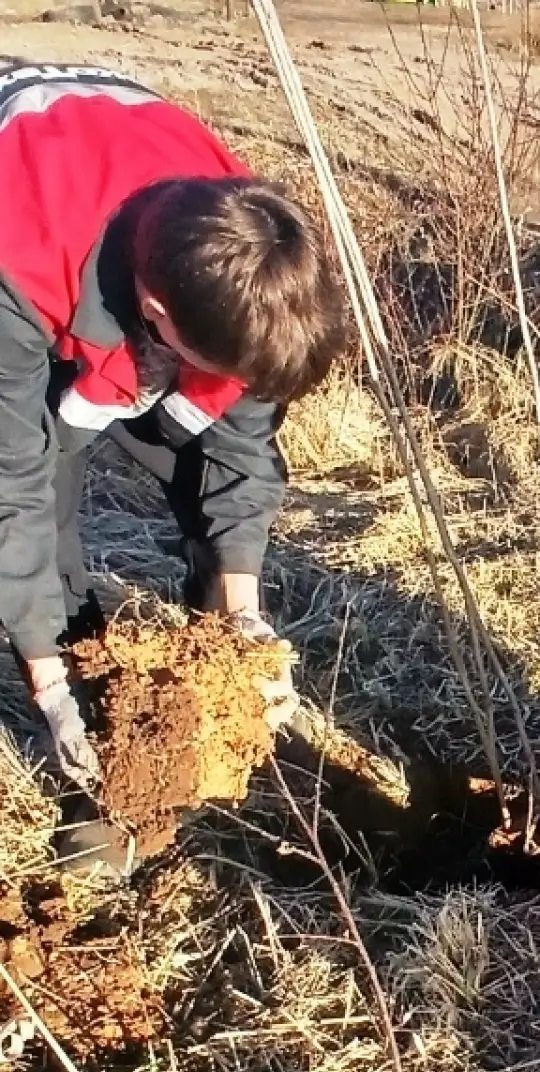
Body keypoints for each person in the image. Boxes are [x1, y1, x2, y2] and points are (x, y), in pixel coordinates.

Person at [0, 62, 346, 874]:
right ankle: (102, 749)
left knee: (207, 437)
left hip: (125, 201)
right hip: (31, 244)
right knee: (46, 489)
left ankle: (204, 697)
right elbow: (10, 487)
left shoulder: (249, 245)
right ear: (156, 315)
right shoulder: (17, 253)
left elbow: (241, 448)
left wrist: (242, 619)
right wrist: (48, 675)